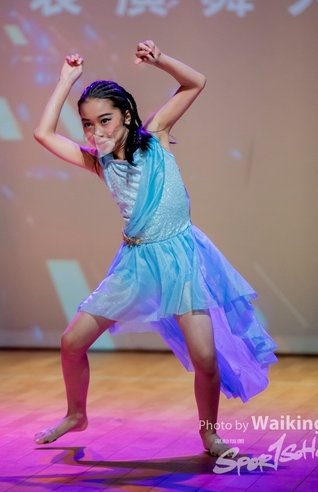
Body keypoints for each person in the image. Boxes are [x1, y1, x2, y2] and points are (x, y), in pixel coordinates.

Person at [33, 40, 278, 457]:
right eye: (88, 124)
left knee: (205, 359)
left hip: (180, 260)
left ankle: (210, 435)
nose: (96, 131)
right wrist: (65, 81)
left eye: (105, 120)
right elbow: (43, 134)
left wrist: (160, 60)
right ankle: (76, 414)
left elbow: (195, 83)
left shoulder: (155, 138)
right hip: (136, 265)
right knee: (72, 342)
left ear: (127, 116)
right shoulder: (98, 162)